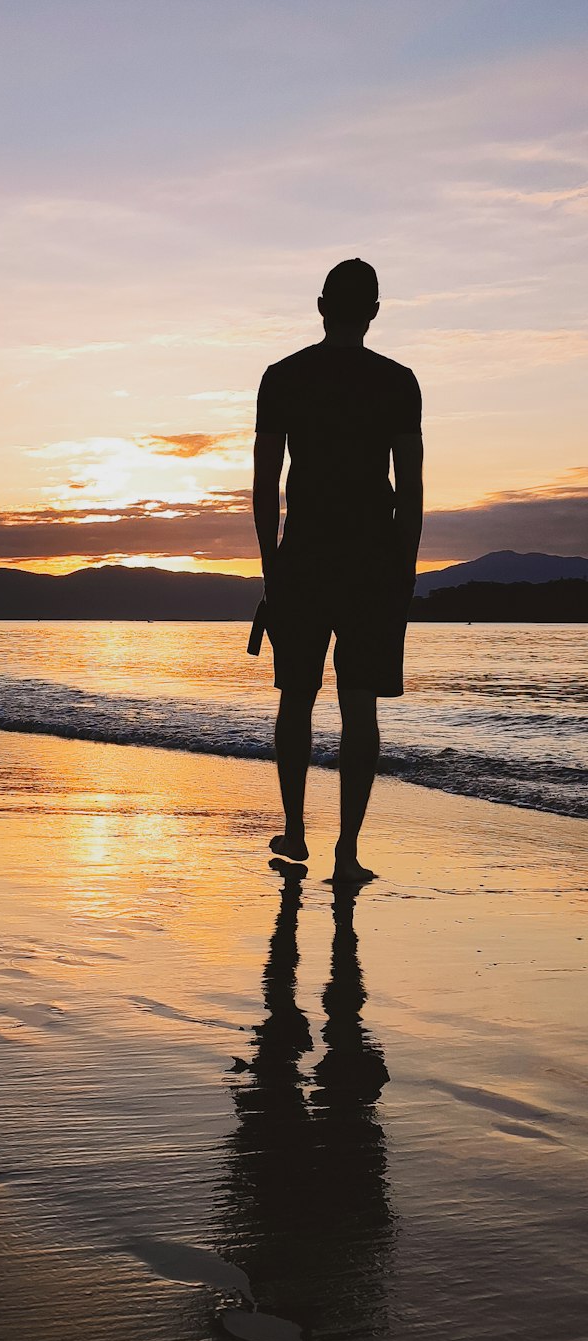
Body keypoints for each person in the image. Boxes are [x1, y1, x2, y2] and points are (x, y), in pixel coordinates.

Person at [252, 258, 423, 884]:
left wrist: (273, 571)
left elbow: (265, 487)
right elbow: (412, 491)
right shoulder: (399, 382)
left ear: (322, 307)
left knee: (296, 697)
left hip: (302, 559)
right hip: (374, 563)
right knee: (359, 707)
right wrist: (403, 574)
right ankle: (346, 851)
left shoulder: (283, 378)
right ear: (373, 312)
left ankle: (296, 829)